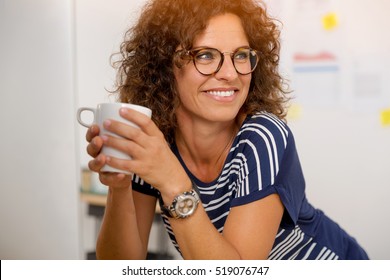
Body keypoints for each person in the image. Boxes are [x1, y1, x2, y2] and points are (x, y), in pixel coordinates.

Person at [85, 0, 369, 260]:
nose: (231, 73)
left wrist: (172, 179)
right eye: (206, 55)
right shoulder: (157, 143)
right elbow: (120, 265)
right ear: (164, 66)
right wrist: (119, 186)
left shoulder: (263, 137)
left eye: (241, 55)